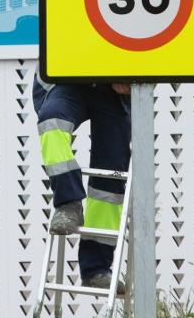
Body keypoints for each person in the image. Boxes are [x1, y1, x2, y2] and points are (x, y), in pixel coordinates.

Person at [33, 77, 131, 290]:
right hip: (66, 83)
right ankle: (68, 203)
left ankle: (96, 269)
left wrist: (132, 79)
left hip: (114, 93)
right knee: (51, 123)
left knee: (110, 178)